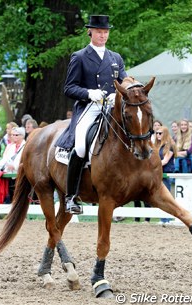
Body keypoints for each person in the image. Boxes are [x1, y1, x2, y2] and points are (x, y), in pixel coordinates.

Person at [63, 15, 127, 214]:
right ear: (90, 32)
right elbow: (69, 88)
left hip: (111, 107)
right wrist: (89, 93)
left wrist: (123, 91)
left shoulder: (115, 58)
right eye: (99, 32)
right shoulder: (80, 56)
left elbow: (123, 82)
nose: (103, 35)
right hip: (89, 107)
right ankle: (71, 196)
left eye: (106, 32)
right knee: (81, 145)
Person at [0, 127, 26, 202]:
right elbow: (4, 160)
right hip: (10, 175)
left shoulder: (26, 146)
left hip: (21, 176)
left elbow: (26, 161)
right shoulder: (11, 147)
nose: (13, 136)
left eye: (16, 135)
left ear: (22, 136)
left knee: (20, 197)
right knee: (12, 195)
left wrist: (15, 166)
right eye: (12, 135)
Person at [155, 126, 176, 225]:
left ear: (165, 134)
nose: (158, 135)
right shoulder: (157, 145)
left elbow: (165, 161)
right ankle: (164, 219)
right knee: (160, 197)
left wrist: (152, 164)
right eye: (157, 133)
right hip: (159, 173)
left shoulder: (170, 145)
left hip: (166, 173)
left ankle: (166, 219)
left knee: (166, 197)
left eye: (160, 133)